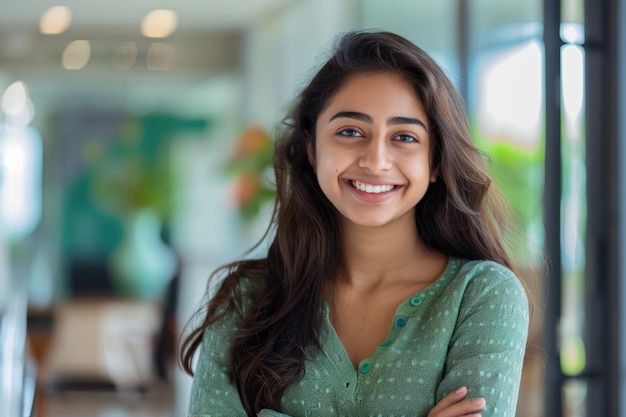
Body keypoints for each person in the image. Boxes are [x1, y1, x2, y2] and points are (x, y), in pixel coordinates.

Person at [180, 30, 530, 417]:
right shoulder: (246, 298)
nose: (376, 160)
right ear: (312, 148)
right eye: (350, 132)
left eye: (404, 137)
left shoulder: (481, 296)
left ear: (435, 162)